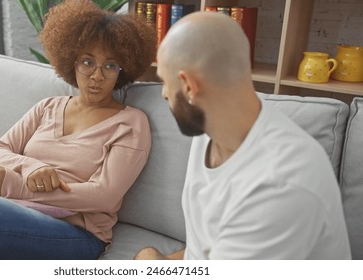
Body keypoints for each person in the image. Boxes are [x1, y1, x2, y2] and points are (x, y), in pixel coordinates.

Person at [0, 0, 156, 259]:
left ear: (123, 70)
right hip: (20, 209)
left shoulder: (131, 123)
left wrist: (20, 187)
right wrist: (30, 167)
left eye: (110, 66)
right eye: (87, 62)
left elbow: (103, 196)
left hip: (77, 233)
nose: (97, 75)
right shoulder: (48, 107)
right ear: (71, 60)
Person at [135, 12, 351, 260]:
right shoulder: (210, 125)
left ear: (189, 87)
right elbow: (205, 249)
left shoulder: (281, 185)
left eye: (165, 81)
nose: (163, 94)